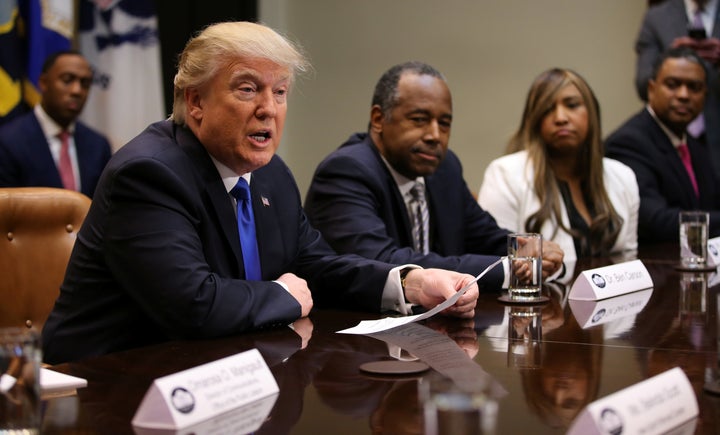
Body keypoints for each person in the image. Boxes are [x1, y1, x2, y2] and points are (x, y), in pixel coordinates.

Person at [41, 22, 479, 364]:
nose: (268, 108)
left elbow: (316, 266)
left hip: (219, 376)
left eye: (281, 92)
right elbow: (192, 305)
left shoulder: (272, 176)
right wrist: (284, 295)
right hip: (105, 387)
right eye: (248, 88)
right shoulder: (149, 174)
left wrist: (410, 282)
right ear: (195, 102)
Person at [304, 61, 564, 290]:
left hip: (433, 325)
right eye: (419, 119)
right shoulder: (347, 171)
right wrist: (510, 269)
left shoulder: (444, 168)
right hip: (354, 335)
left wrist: (525, 250)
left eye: (444, 123)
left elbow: (483, 236)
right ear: (378, 119)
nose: (434, 136)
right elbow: (383, 262)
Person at [477, 68, 639, 262]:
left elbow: (629, 259)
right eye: (548, 109)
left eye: (572, 105)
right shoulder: (505, 174)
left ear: (592, 113)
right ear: (534, 120)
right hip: (544, 292)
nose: (561, 117)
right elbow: (494, 259)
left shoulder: (623, 176)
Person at [606, 47, 720, 242]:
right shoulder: (628, 143)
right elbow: (655, 221)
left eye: (694, 87)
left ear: (705, 96)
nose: (684, 95)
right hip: (653, 266)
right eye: (673, 85)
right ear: (651, 89)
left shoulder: (694, 144)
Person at [0, 50, 112, 197]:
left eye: (85, 83)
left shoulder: (98, 145)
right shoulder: (8, 142)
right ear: (44, 83)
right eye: (67, 80)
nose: (77, 90)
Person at [635, 0, 720, 176]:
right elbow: (643, 84)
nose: (684, 94)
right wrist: (672, 60)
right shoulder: (657, 17)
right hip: (673, 141)